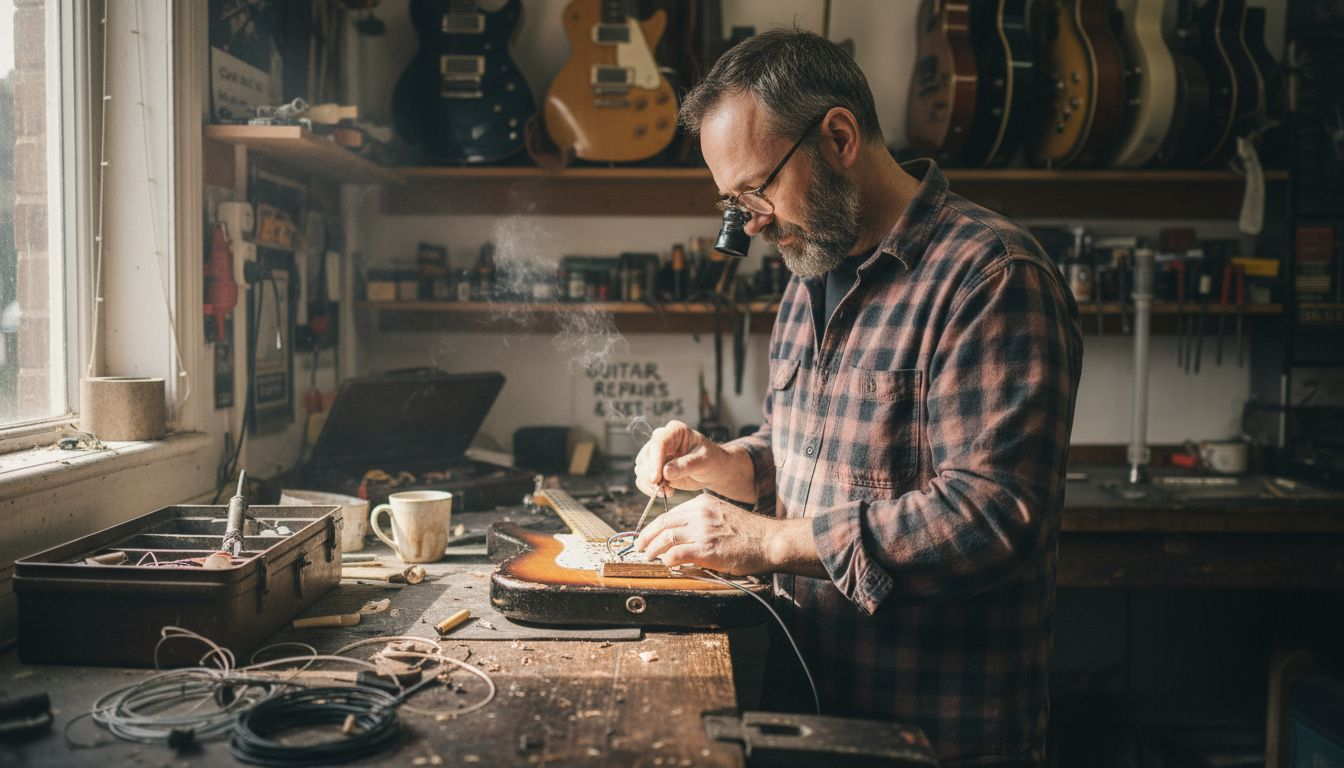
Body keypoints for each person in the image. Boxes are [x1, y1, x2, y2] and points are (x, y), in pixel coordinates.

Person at [632, 29, 1083, 766]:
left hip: (934, 734)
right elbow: (808, 449)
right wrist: (728, 466)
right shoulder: (811, 271)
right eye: (733, 202)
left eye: (758, 188)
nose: (752, 223)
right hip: (808, 708)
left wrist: (769, 542)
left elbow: (994, 515)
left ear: (838, 135)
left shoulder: (990, 277)